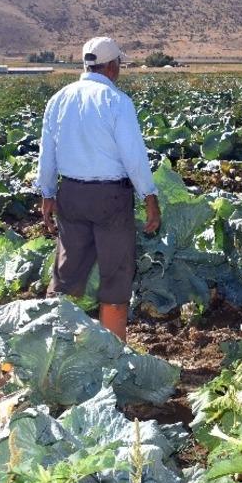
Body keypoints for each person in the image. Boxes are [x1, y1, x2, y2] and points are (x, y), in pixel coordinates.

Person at [36, 36, 161, 342]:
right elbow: (133, 156)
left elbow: (47, 153)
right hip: (110, 198)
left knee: (65, 277)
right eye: (118, 63)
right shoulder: (116, 101)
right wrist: (149, 196)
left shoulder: (59, 99)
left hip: (71, 195)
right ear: (111, 67)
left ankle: (55, 350)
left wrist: (47, 194)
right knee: (116, 279)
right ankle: (112, 355)